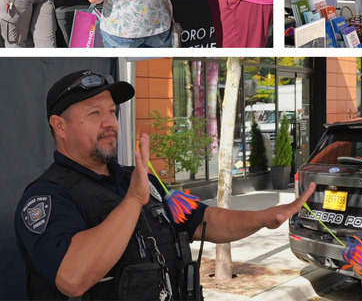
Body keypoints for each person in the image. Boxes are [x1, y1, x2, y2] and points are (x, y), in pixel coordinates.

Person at [14, 69, 315, 299]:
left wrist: (264, 217)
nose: (110, 123)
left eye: (112, 112)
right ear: (60, 126)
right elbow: (72, 277)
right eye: (95, 113)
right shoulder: (47, 197)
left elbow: (204, 220)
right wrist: (133, 201)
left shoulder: (141, 180)